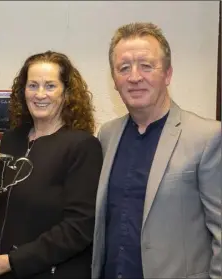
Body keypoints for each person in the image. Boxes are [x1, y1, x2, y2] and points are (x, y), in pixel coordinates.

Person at [91, 22, 221, 279]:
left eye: (146, 66)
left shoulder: (208, 137)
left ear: (168, 74)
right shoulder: (107, 135)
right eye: (123, 68)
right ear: (114, 80)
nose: (135, 77)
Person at [0, 50, 103, 278]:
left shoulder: (83, 146)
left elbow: (79, 227)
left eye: (50, 86)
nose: (40, 94)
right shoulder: (11, 140)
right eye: (32, 85)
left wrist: (15, 261)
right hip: (2, 270)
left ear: (66, 93)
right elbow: (7, 205)